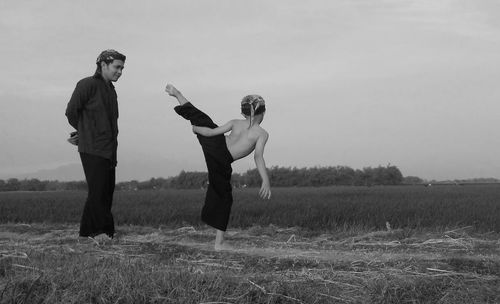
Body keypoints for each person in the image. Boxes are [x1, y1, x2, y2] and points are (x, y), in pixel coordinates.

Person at [165, 84, 271, 250]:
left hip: (216, 144)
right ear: (263, 113)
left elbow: (212, 133)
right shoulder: (262, 134)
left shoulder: (235, 122)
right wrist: (265, 180)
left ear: (243, 112)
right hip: (222, 159)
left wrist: (197, 129)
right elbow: (258, 157)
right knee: (224, 196)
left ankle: (176, 94)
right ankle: (219, 243)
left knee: (201, 117)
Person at [65, 49, 126, 243]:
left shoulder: (111, 91)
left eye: (122, 68)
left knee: (106, 191)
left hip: (109, 149)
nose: (120, 72)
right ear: (103, 65)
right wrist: (84, 132)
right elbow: (71, 112)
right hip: (92, 148)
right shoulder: (87, 84)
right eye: (117, 67)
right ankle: (90, 234)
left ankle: (106, 232)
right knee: (98, 191)